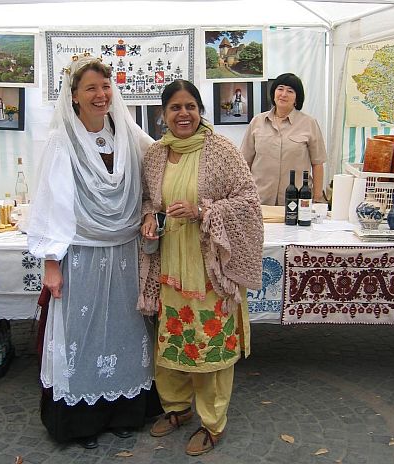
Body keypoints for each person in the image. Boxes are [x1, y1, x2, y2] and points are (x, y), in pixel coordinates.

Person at [27, 53, 161, 449]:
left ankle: (124, 409)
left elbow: (158, 159)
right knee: (82, 336)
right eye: (91, 88)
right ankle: (80, 420)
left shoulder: (127, 131)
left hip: (123, 250)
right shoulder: (60, 141)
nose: (101, 95)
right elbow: (51, 204)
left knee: (123, 329)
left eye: (105, 87)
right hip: (81, 252)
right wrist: (52, 265)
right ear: (74, 96)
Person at [138, 79, 263, 456]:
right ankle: (176, 409)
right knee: (172, 341)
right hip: (170, 265)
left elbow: (249, 204)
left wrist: (203, 211)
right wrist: (149, 217)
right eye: (175, 107)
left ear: (200, 111)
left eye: (190, 106)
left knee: (210, 348)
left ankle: (213, 422)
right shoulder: (156, 154)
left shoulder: (221, 150)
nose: (183, 114)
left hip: (210, 269)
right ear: (163, 114)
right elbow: (149, 200)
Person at [241, 73, 327, 205]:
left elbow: (318, 163)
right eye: (280, 89)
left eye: (290, 91)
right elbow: (244, 162)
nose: (284, 94)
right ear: (273, 93)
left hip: (296, 200)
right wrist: (242, 194)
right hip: (259, 199)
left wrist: (317, 197)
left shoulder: (309, 123)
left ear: (297, 98)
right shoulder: (257, 122)